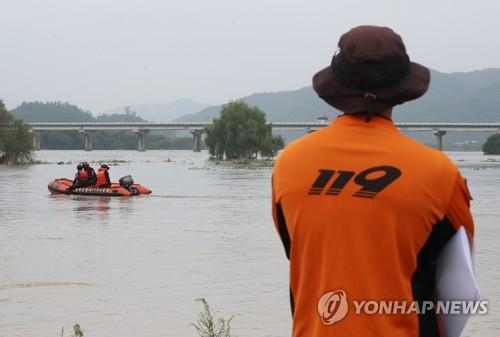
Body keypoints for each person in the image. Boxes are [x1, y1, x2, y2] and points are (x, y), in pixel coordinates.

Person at [271, 26, 475, 337]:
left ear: (337, 85)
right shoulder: (439, 173)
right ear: (402, 88)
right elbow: (458, 280)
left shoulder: (289, 164)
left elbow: (296, 249)